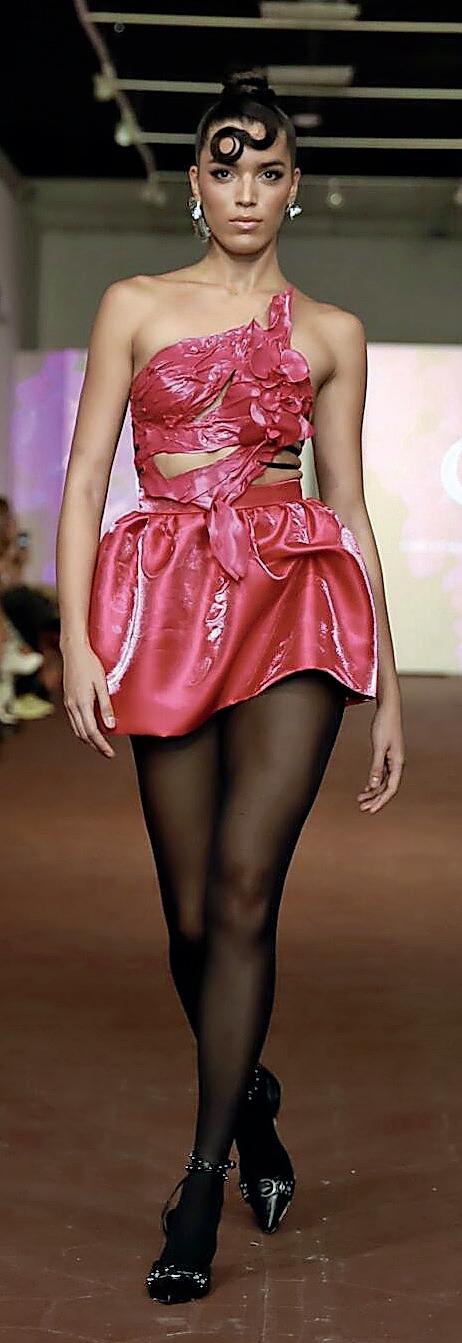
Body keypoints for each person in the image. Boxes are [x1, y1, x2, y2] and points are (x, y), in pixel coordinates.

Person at [55, 68, 405, 1304]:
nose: (245, 190)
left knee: (249, 890)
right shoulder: (134, 305)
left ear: (295, 187)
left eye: (268, 170)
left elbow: (347, 504)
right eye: (225, 167)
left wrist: (387, 685)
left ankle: (201, 1180)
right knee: (193, 919)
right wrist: (77, 640)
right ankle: (250, 1098)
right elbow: (86, 474)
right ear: (194, 181)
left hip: (293, 597)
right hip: (163, 605)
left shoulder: (333, 334)